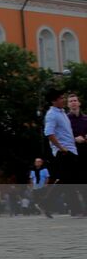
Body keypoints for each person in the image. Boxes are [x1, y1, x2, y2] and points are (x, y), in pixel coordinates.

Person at [40, 88, 81, 218]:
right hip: (64, 152)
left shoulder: (62, 113)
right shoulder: (52, 114)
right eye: (60, 98)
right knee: (67, 179)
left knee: (69, 180)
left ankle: (73, 207)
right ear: (54, 101)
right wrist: (61, 148)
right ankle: (47, 203)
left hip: (71, 150)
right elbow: (49, 133)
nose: (63, 100)